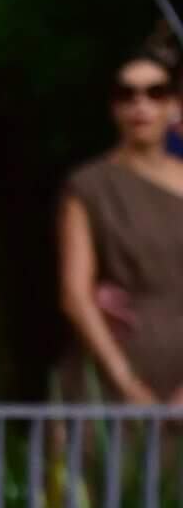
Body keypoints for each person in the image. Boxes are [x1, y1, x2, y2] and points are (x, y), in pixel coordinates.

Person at [57, 54, 183, 403]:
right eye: (126, 94)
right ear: (113, 108)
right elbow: (75, 295)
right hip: (118, 364)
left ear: (173, 105)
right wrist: (126, 381)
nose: (140, 104)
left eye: (155, 93)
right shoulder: (88, 186)